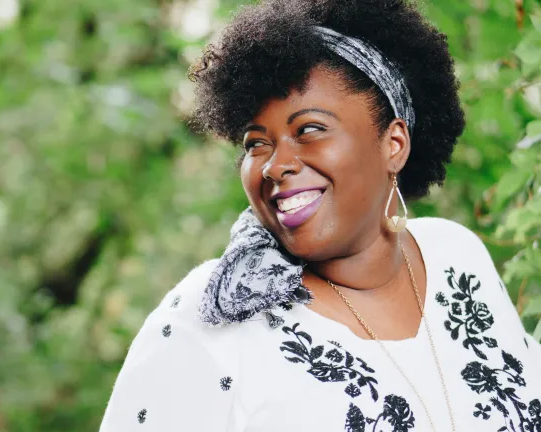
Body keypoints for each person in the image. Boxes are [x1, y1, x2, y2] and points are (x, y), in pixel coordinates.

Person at [99, 0, 541, 430]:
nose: (274, 165)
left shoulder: (456, 256)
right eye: (256, 143)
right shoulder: (212, 314)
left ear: (394, 144)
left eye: (308, 130)